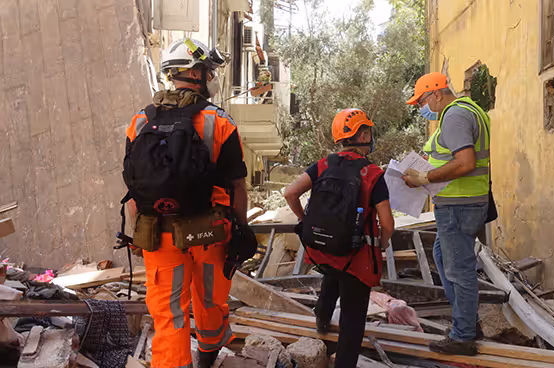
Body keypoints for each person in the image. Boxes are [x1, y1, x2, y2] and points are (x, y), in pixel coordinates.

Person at [123, 38, 252, 368]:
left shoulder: (139, 122)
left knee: (169, 317)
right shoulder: (219, 122)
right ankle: (207, 358)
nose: (210, 77)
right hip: (210, 232)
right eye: (208, 71)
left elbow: (133, 188)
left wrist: (137, 233)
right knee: (209, 301)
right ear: (196, 73)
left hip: (158, 234)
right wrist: (243, 228)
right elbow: (237, 185)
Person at [284, 109, 395, 368]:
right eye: (369, 131)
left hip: (324, 248)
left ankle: (322, 320)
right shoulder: (373, 174)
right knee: (352, 320)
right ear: (364, 134)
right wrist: (384, 242)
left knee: (332, 271)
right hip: (357, 255)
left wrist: (305, 220)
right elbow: (387, 223)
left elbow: (290, 193)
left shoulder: (323, 164)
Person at [403, 72, 490, 356]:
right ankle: (466, 321)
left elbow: (464, 162)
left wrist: (424, 178)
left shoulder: (453, 116)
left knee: (458, 269)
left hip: (458, 205)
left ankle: (463, 335)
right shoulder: (469, 109)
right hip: (464, 202)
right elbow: (454, 156)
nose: (421, 108)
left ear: (436, 94)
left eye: (422, 101)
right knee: (443, 256)